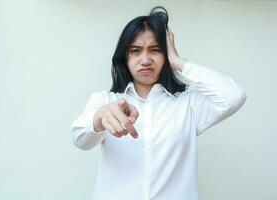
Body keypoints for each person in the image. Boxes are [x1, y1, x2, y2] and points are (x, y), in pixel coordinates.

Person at [71, 6, 247, 200]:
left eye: (155, 50)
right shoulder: (105, 101)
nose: (145, 59)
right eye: (136, 51)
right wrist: (99, 117)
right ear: (125, 57)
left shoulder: (187, 105)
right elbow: (80, 139)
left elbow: (234, 96)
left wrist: (178, 61)